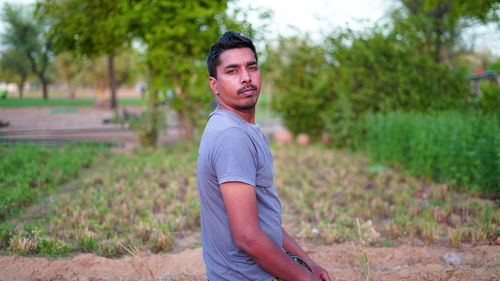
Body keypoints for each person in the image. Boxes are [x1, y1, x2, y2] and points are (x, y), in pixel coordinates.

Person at [196, 31, 332, 281]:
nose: (246, 77)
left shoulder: (243, 128)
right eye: (232, 71)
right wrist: (305, 279)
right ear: (214, 84)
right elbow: (248, 237)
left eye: (252, 67)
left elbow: (262, 218)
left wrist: (307, 263)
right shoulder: (231, 137)